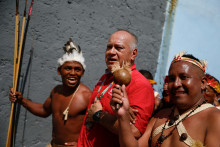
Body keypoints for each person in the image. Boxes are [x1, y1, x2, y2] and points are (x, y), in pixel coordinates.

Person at [111, 51, 220, 147]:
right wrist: (123, 115)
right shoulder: (160, 116)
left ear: (203, 83)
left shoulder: (214, 118)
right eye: (172, 79)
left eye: (183, 77)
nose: (176, 84)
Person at [77, 30, 155, 147]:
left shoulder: (140, 84)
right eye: (109, 47)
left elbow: (134, 132)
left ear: (133, 53)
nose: (111, 52)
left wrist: (99, 115)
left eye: (118, 48)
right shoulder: (106, 76)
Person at [9, 39, 92, 147]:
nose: (73, 73)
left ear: (82, 73)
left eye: (77, 69)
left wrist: (82, 144)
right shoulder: (56, 91)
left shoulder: (87, 95)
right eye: (68, 68)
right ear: (59, 71)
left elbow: (97, 124)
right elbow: (44, 110)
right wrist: (22, 100)